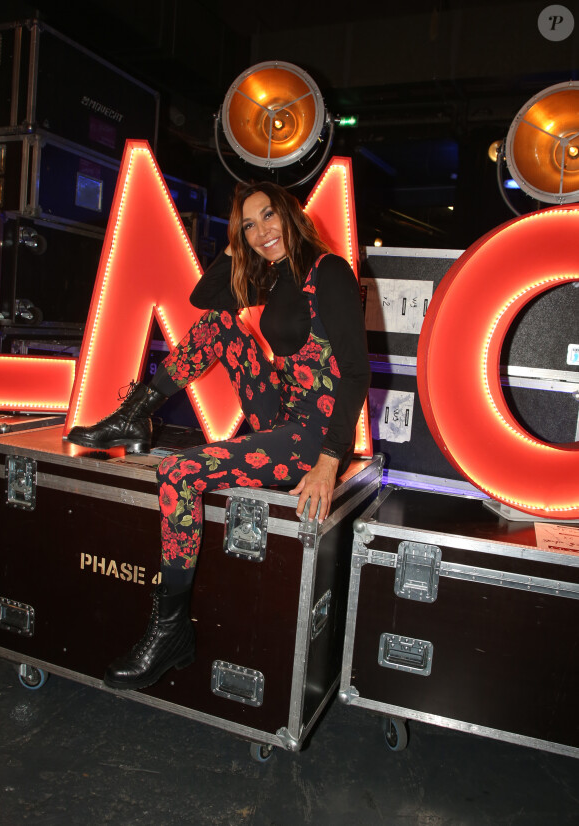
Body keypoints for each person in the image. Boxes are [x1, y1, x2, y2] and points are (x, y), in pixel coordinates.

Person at [66, 181, 371, 691]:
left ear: (292, 215)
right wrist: (236, 244)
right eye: (249, 225)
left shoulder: (329, 271)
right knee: (218, 326)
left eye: (268, 217)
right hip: (281, 413)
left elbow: (357, 372)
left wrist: (328, 460)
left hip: (309, 437)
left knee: (178, 471)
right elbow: (202, 296)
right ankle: (134, 414)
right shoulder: (274, 279)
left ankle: (169, 631)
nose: (260, 232)